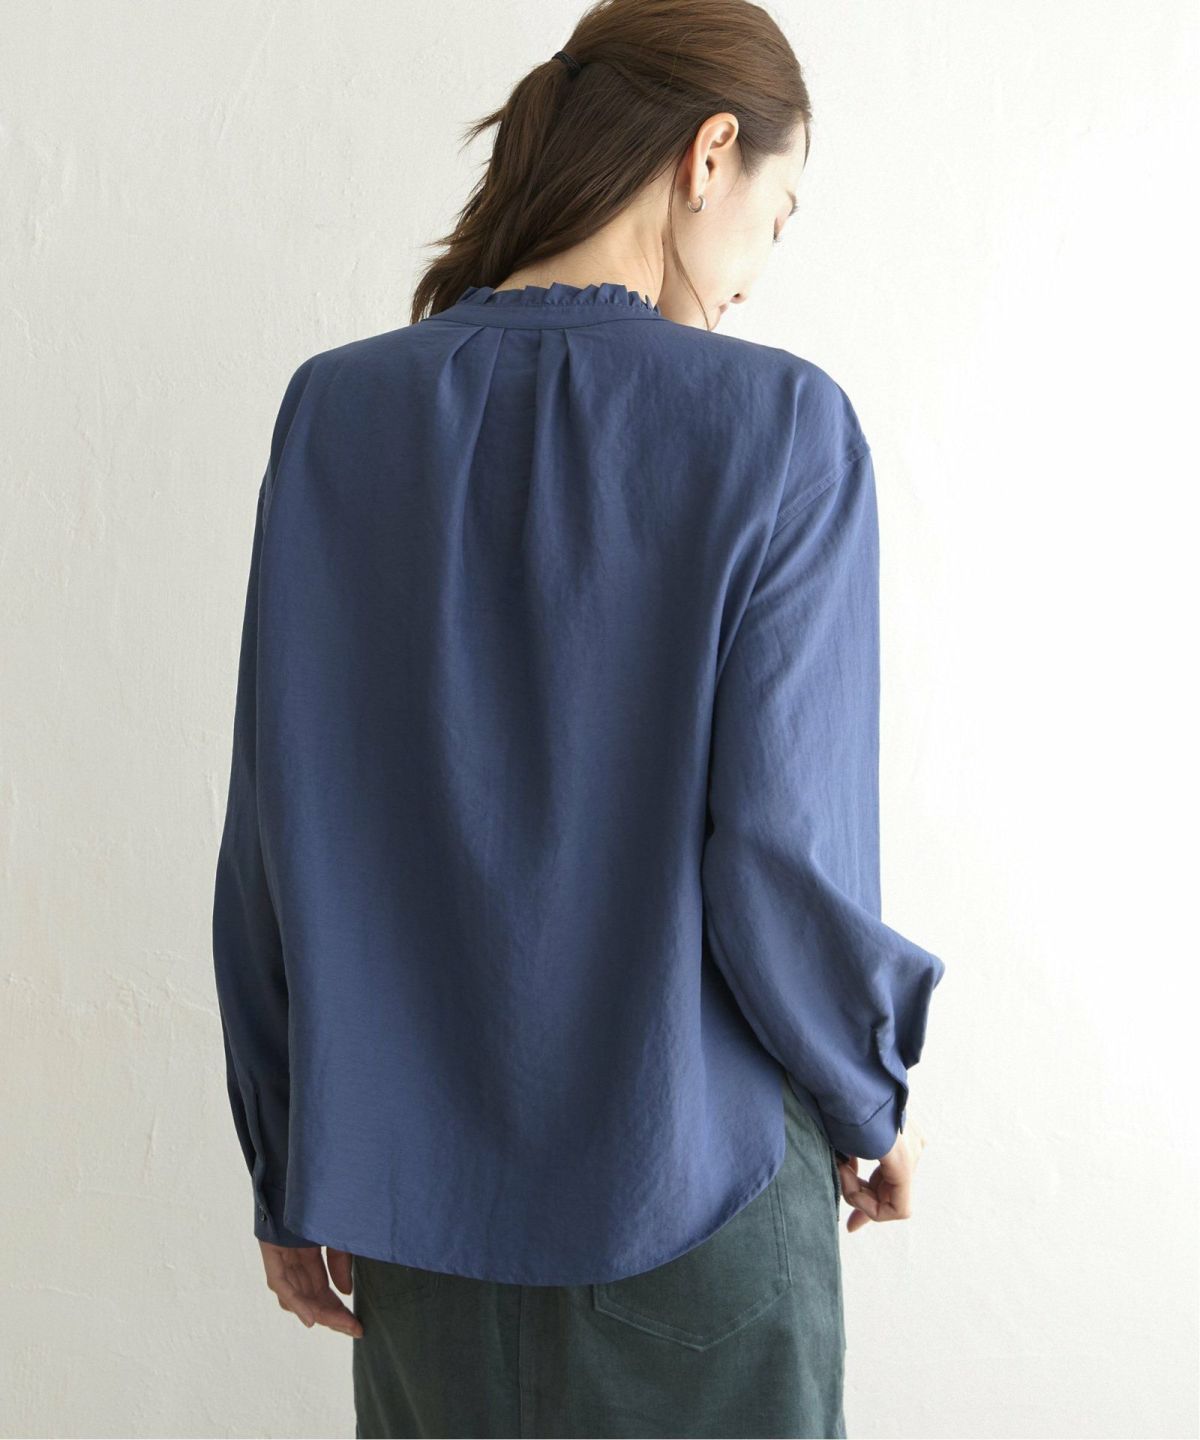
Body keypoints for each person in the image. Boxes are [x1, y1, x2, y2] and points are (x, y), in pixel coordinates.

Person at [211, 0, 947, 1434]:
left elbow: (274, 832)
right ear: (710, 154)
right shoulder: (783, 429)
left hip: (416, 1224)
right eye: (780, 214)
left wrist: (287, 1157)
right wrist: (869, 1096)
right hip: (701, 1191)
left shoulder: (335, 416)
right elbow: (781, 858)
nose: (756, 275)